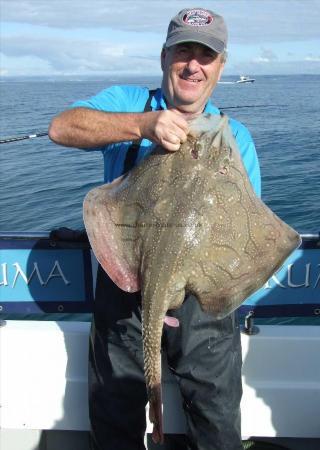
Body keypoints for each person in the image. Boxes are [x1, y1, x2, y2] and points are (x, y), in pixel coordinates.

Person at [49, 7, 261, 450]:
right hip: (125, 285)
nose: (193, 64)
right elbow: (61, 127)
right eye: (184, 50)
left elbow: (248, 233)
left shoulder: (234, 136)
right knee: (115, 421)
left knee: (218, 421)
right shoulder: (129, 104)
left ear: (220, 68)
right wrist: (140, 126)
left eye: (206, 55)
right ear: (164, 57)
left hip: (200, 301)